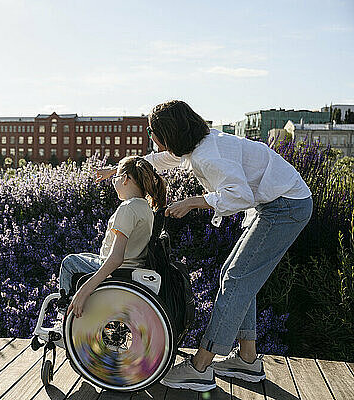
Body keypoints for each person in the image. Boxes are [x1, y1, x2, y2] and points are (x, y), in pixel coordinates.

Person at [95, 100, 312, 392]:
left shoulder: (206, 156)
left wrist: (192, 203)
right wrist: (116, 170)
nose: (151, 136)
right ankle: (247, 361)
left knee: (236, 279)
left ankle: (201, 366)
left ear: (169, 133)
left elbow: (241, 195)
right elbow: (159, 161)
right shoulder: (198, 145)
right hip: (279, 201)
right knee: (235, 276)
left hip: (286, 206)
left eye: (153, 131)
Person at [53, 155, 167, 347]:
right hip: (133, 268)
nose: (113, 182)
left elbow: (115, 258)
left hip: (118, 270)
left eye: (116, 177)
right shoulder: (145, 207)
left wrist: (85, 289)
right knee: (84, 258)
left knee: (70, 262)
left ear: (125, 179)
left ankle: (62, 320)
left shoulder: (128, 209)